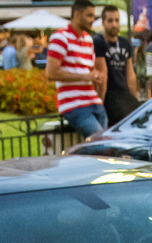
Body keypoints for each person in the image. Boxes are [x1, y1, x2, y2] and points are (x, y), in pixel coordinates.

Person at [46, 0, 107, 140]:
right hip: (74, 105)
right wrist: (86, 76)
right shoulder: (60, 38)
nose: (93, 20)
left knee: (105, 146)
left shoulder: (88, 39)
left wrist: (96, 75)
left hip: (94, 103)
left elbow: (90, 70)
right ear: (77, 14)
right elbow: (51, 73)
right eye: (89, 15)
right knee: (100, 143)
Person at [93, 5, 139, 125]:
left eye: (117, 20)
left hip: (124, 94)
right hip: (109, 96)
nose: (114, 24)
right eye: (110, 20)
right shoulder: (98, 42)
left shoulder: (125, 43)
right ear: (103, 22)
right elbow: (102, 75)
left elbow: (131, 76)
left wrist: (135, 99)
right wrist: (100, 104)